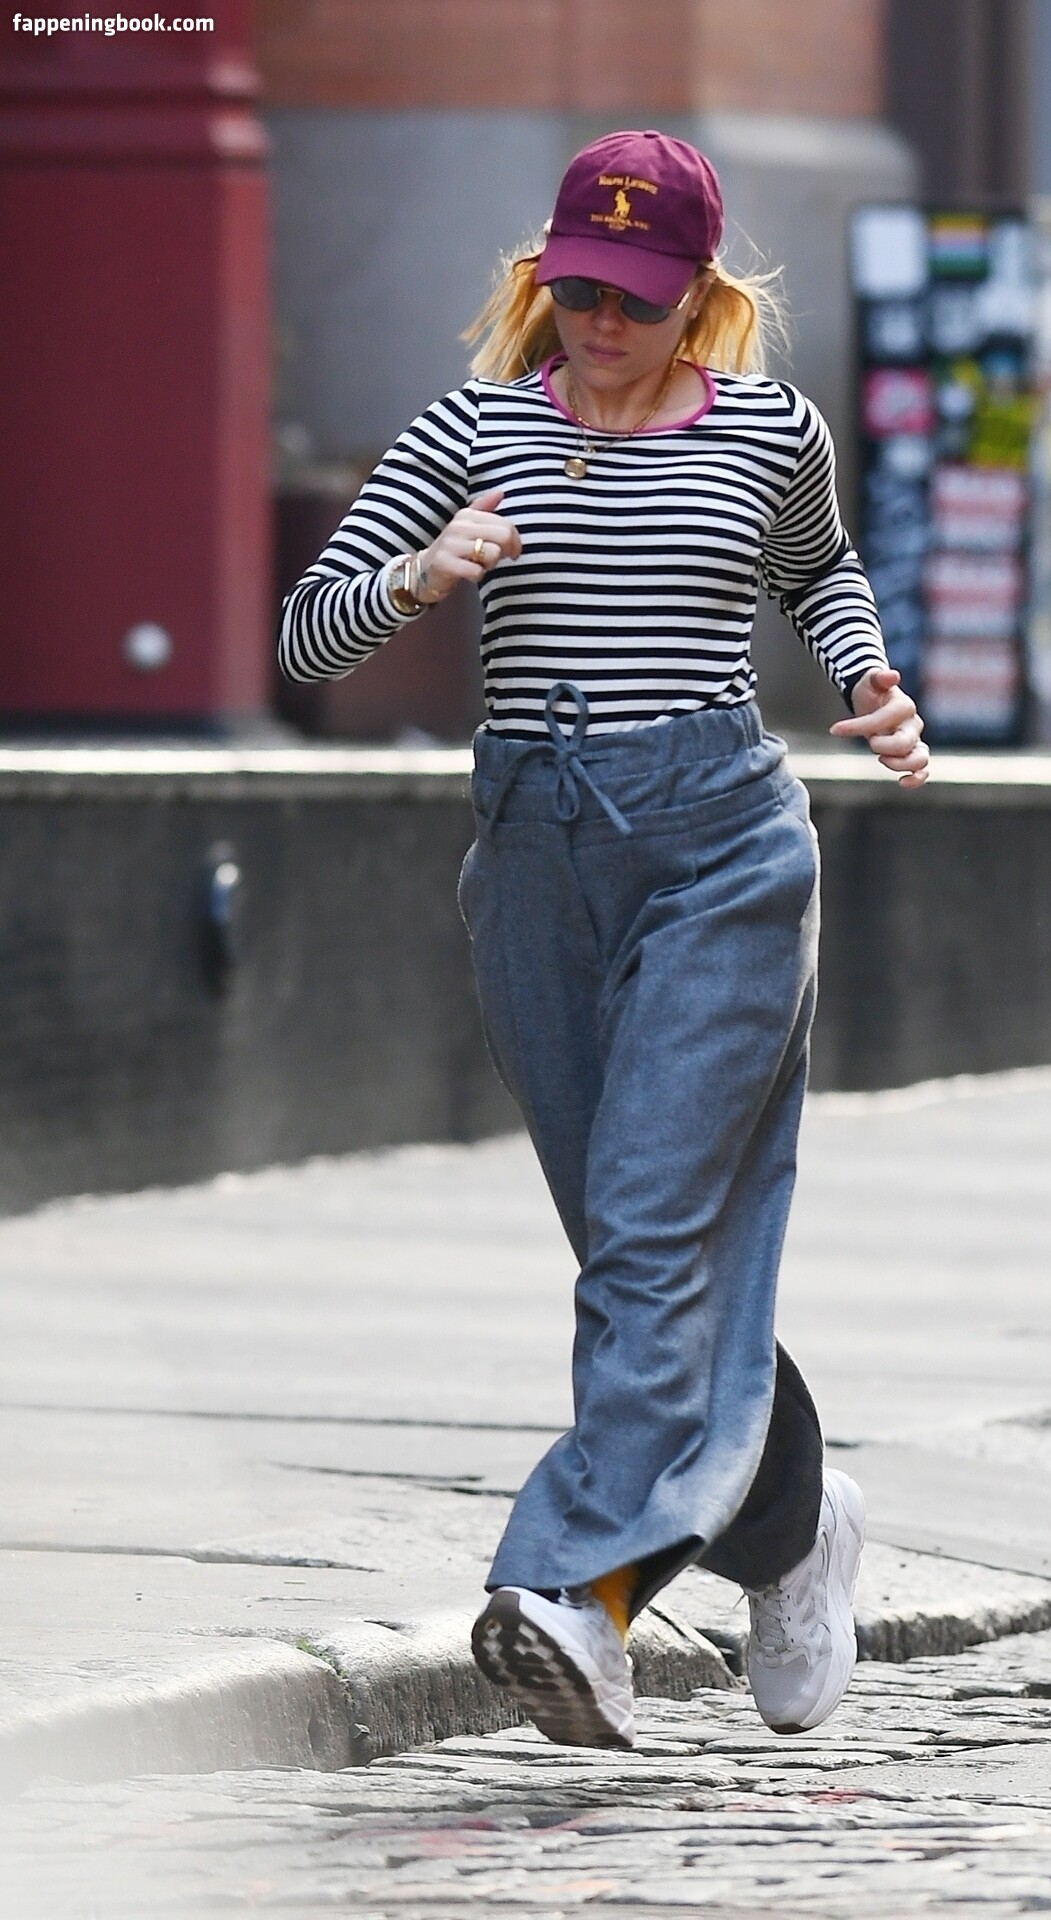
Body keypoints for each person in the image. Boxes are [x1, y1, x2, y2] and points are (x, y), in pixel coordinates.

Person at [280, 129, 929, 1752]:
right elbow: (305, 636)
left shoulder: (769, 429)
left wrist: (867, 678)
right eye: (579, 290)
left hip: (720, 853)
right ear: (546, 276)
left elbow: (818, 573)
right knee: (643, 1257)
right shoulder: (474, 428)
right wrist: (420, 577)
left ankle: (580, 1594)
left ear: (698, 293)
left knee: (647, 1233)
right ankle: (799, 1530)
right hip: (536, 863)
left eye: (637, 297)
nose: (603, 321)